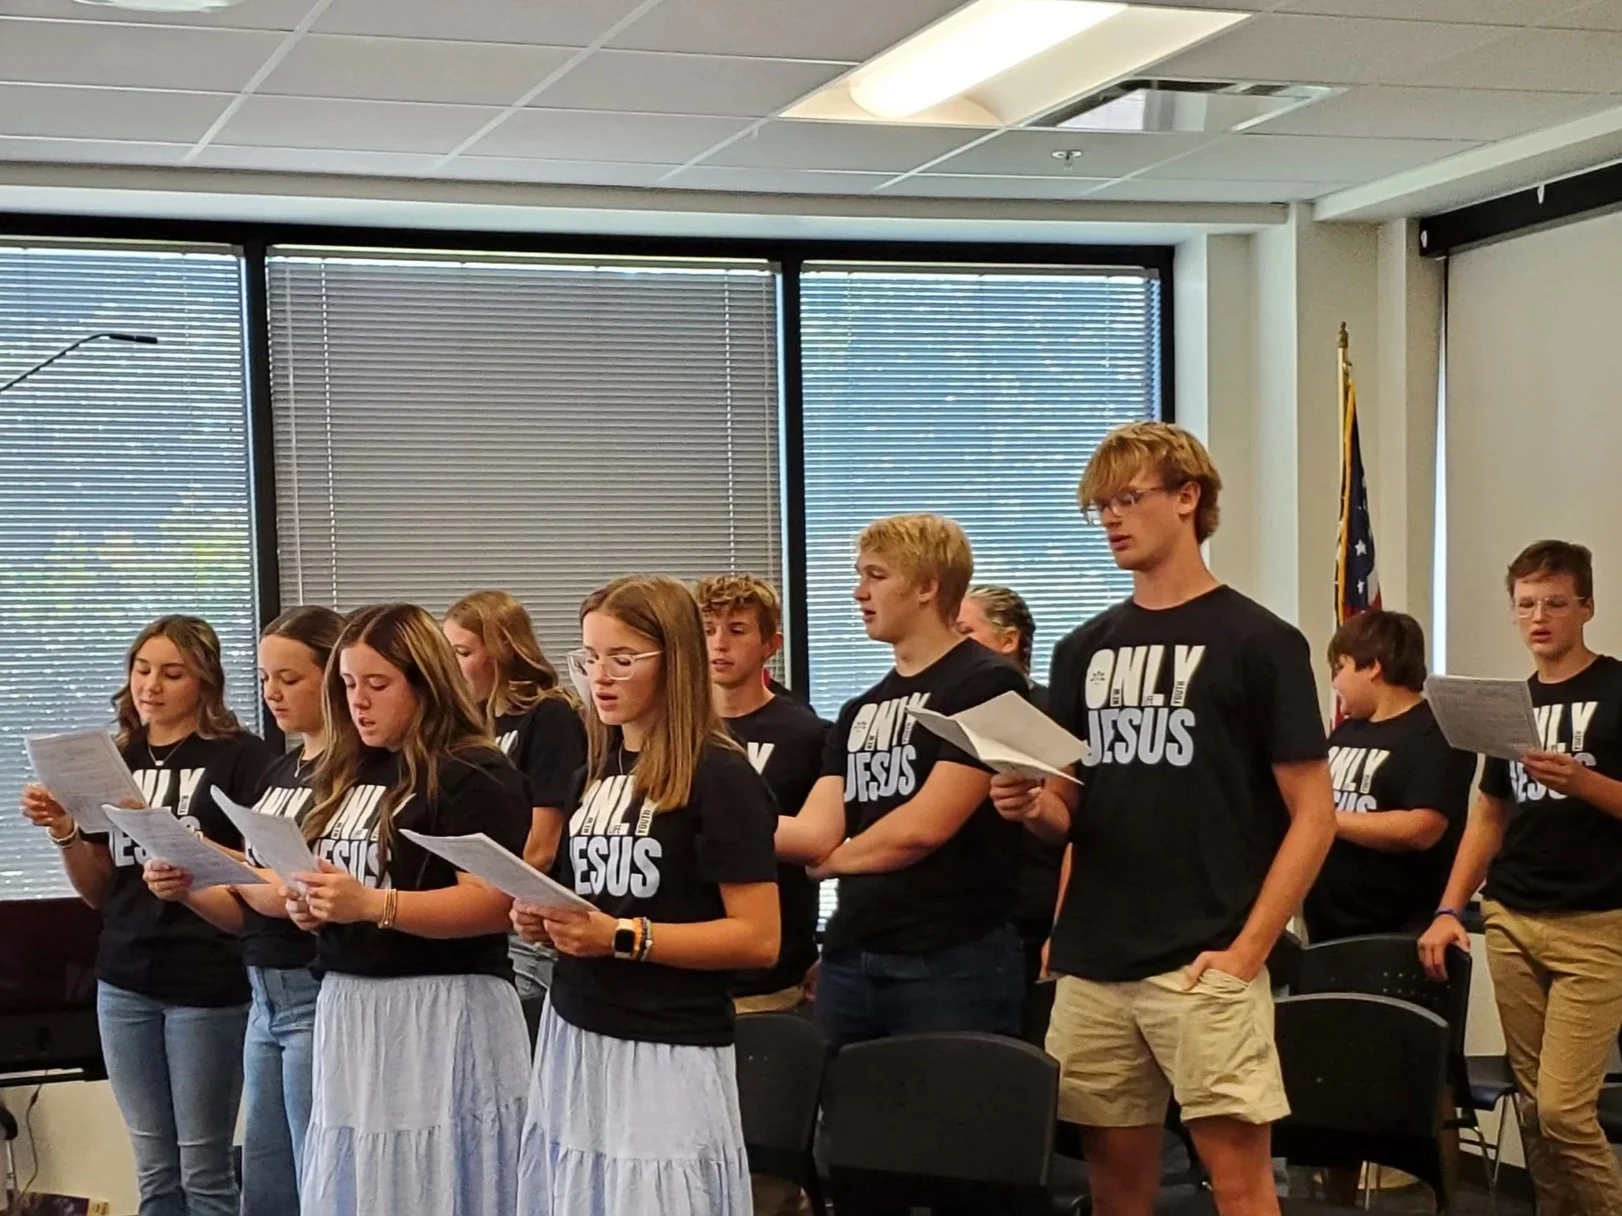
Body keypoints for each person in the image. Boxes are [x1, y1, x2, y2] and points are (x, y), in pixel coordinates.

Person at [993, 421, 1336, 1216]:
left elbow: (1313, 816)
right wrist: (1029, 804)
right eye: (1099, 506)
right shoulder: (1082, 648)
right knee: (1116, 1190)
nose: (1111, 518)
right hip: (1096, 958)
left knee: (1241, 1186)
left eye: (1128, 499)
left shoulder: (1260, 641)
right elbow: (1071, 807)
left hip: (1204, 955)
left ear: (1189, 498)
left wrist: (1250, 950)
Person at [513, 575, 780, 1216]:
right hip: (578, 1026)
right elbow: (598, 893)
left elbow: (757, 937)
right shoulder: (595, 772)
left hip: (664, 1042)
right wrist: (543, 916)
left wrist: (623, 937)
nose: (600, 676)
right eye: (590, 657)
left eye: (622, 659)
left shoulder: (720, 774)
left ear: (676, 660)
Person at [20, 615, 274, 1216]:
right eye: (141, 670)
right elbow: (99, 891)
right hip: (125, 978)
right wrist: (63, 831)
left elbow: (258, 877)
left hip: (207, 979)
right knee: (154, 1167)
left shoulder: (242, 759)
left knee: (203, 1167)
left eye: (171, 673)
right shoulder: (114, 757)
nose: (150, 686)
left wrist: (175, 848)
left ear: (205, 683)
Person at [287, 602, 533, 1216]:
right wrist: (315, 904)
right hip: (352, 1003)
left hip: (440, 1008)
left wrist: (371, 903)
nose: (358, 703)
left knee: (438, 1183)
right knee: (362, 1183)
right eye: (346, 686)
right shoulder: (350, 767)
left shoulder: (474, 770)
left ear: (425, 684)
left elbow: (490, 902)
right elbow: (348, 882)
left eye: (377, 685)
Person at [1420, 540, 1622, 1216]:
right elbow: (1488, 814)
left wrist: (1586, 782)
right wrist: (1450, 907)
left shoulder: (1618, 689)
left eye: (1556, 604)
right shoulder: (1513, 703)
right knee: (1536, 1112)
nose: (1540, 617)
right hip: (1511, 916)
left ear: (1586, 608)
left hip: (1597, 921)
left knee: (1565, 1111)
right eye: (1527, 605)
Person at [776, 514, 1030, 1049]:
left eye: (876, 576)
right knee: (850, 1127)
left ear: (927, 586)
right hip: (852, 954)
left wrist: (832, 862)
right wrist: (720, 814)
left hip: (950, 961)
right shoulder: (858, 709)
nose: (858, 592)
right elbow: (817, 828)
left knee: (947, 1123)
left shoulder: (986, 681)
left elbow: (926, 826)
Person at [143, 605, 345, 1216]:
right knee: (267, 1187)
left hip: (313, 991)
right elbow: (248, 911)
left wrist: (214, 853)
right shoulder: (283, 769)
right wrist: (188, 887)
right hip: (263, 993)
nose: (273, 693)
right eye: (264, 679)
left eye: (290, 678)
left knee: (319, 1180)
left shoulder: (350, 774)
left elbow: (297, 894)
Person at [695, 572, 828, 1015]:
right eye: (708, 630)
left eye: (736, 631)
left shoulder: (804, 732)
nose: (719, 645)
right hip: (683, 971)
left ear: (771, 644)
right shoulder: (674, 732)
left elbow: (823, 846)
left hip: (768, 977)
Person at [444, 590, 587, 999]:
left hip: (524, 913)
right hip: (484, 909)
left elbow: (544, 842)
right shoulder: (473, 725)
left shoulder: (548, 714)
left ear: (502, 649)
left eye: (462, 652)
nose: (452, 668)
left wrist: (492, 901)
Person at [1303, 609, 1475, 944]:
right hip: (1328, 929)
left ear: (1372, 666)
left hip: (1400, 933)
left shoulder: (1436, 732)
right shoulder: (1344, 733)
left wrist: (1323, 820)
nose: (1334, 682)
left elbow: (1422, 827)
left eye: (1340, 667)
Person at [957, 584, 1065, 998]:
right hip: (964, 915)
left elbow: (1072, 824)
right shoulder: (951, 714)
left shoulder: (1051, 711)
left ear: (1008, 640)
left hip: (1031, 913)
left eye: (966, 632)